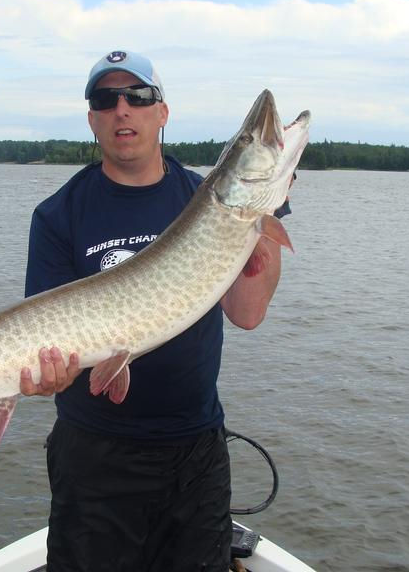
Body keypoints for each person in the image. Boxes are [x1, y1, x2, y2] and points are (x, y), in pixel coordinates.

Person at [19, 50, 288, 571]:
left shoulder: (205, 199)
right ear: (93, 118)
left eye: (138, 97)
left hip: (194, 450)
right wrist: (44, 375)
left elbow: (248, 312)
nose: (123, 110)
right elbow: (45, 342)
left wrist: (263, 217)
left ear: (161, 113)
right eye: (106, 99)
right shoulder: (57, 214)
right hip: (92, 457)